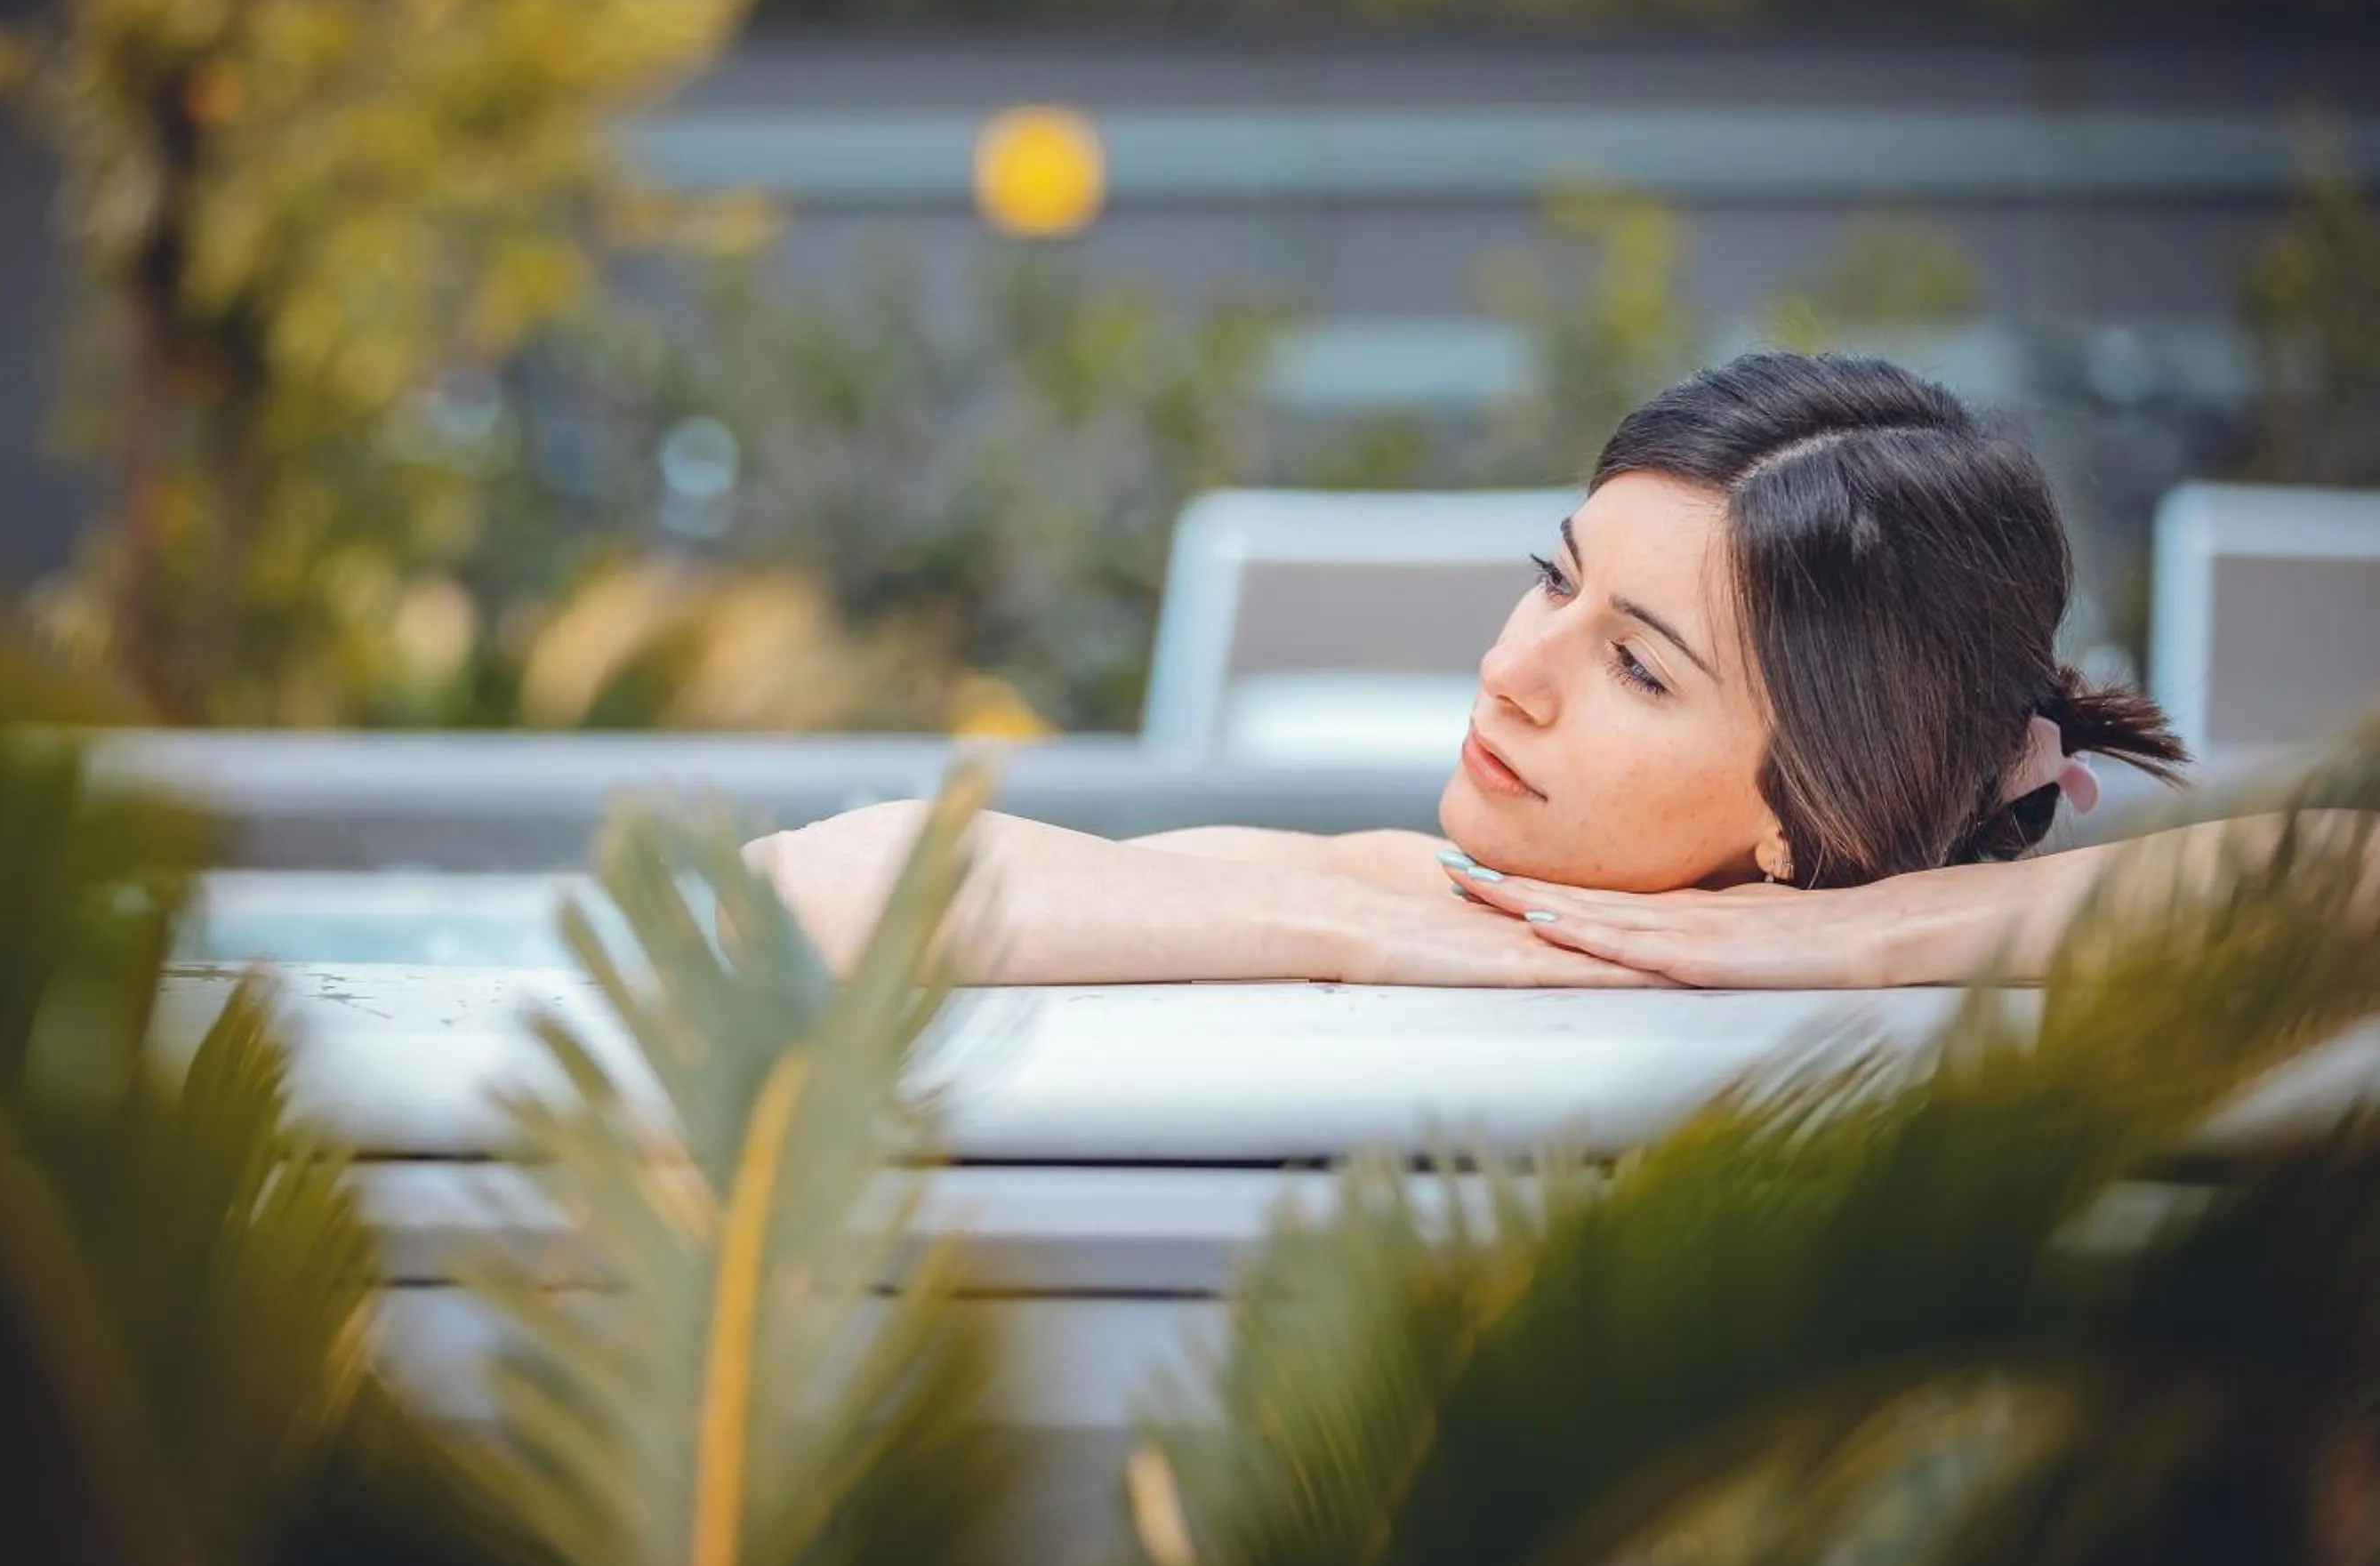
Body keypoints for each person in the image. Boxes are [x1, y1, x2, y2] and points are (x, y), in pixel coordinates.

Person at [748, 351, 2202, 990]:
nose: (1512, 669)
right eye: (1554, 581)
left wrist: (1868, 936)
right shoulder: (1462, 906)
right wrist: (1369, 937)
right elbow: (803, 887)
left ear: (1809, 809)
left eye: (1638, 666)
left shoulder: (1954, 951)